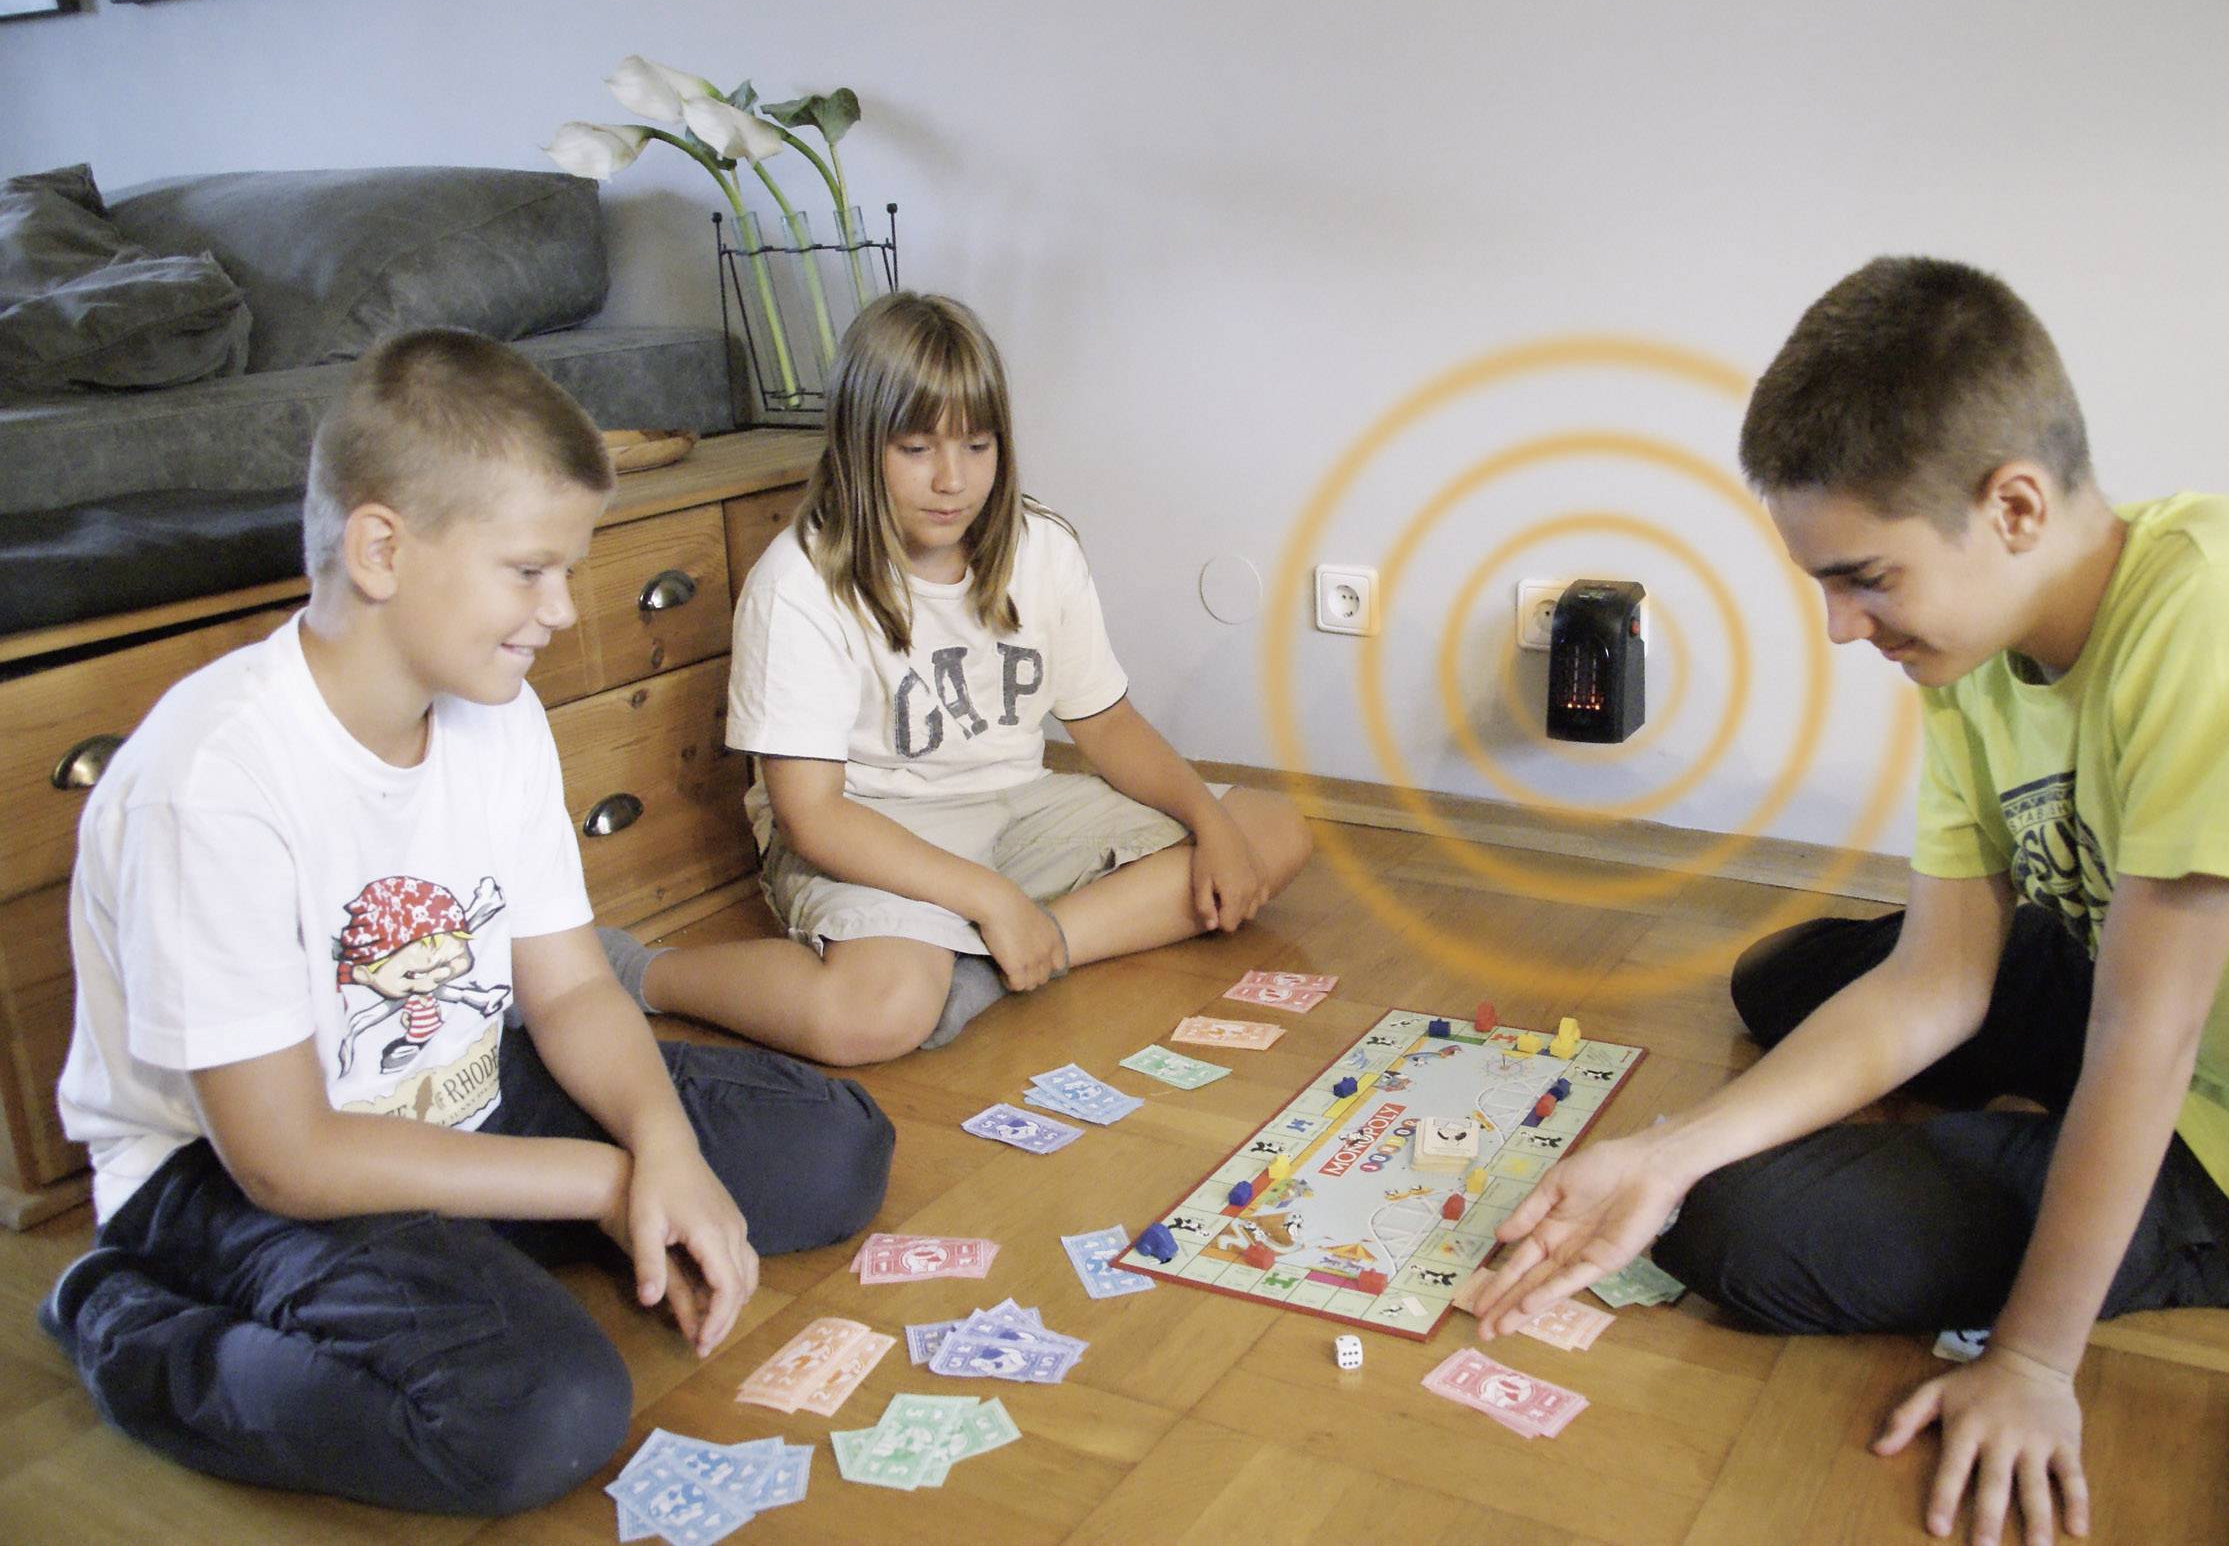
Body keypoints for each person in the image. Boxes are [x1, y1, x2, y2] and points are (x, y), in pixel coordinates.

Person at [1466, 257, 2229, 1546]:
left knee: (1744, 1234)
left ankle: (2094, 1188)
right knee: (1786, 983)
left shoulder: (2228, 610)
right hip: (2149, 981)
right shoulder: (1973, 655)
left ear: (2013, 506)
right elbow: (1940, 978)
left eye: (1865, 578)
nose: (1841, 629)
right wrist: (1669, 1151)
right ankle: (1996, 1131)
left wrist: (2034, 1362)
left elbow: (2147, 1034)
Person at [39, 330, 896, 1515]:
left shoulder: (497, 712)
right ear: (383, 548)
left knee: (834, 1150)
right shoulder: (213, 781)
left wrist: (668, 1149)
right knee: (541, 1413)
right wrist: (608, 1181)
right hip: (230, 1172)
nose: (561, 607)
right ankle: (127, 1328)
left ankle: (494, 1232)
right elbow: (286, 1155)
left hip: (457, 1081)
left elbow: (573, 989)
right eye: (529, 570)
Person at [612, 292, 1313, 1064]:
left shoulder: (1041, 547)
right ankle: (647, 974)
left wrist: (1213, 828)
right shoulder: (798, 584)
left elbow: (1107, 725)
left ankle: (1000, 957)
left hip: (1017, 812)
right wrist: (989, 896)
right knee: (875, 1015)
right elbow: (812, 815)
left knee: (1272, 832)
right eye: (917, 449)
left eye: (977, 446)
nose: (953, 480)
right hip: (871, 828)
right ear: (857, 444)